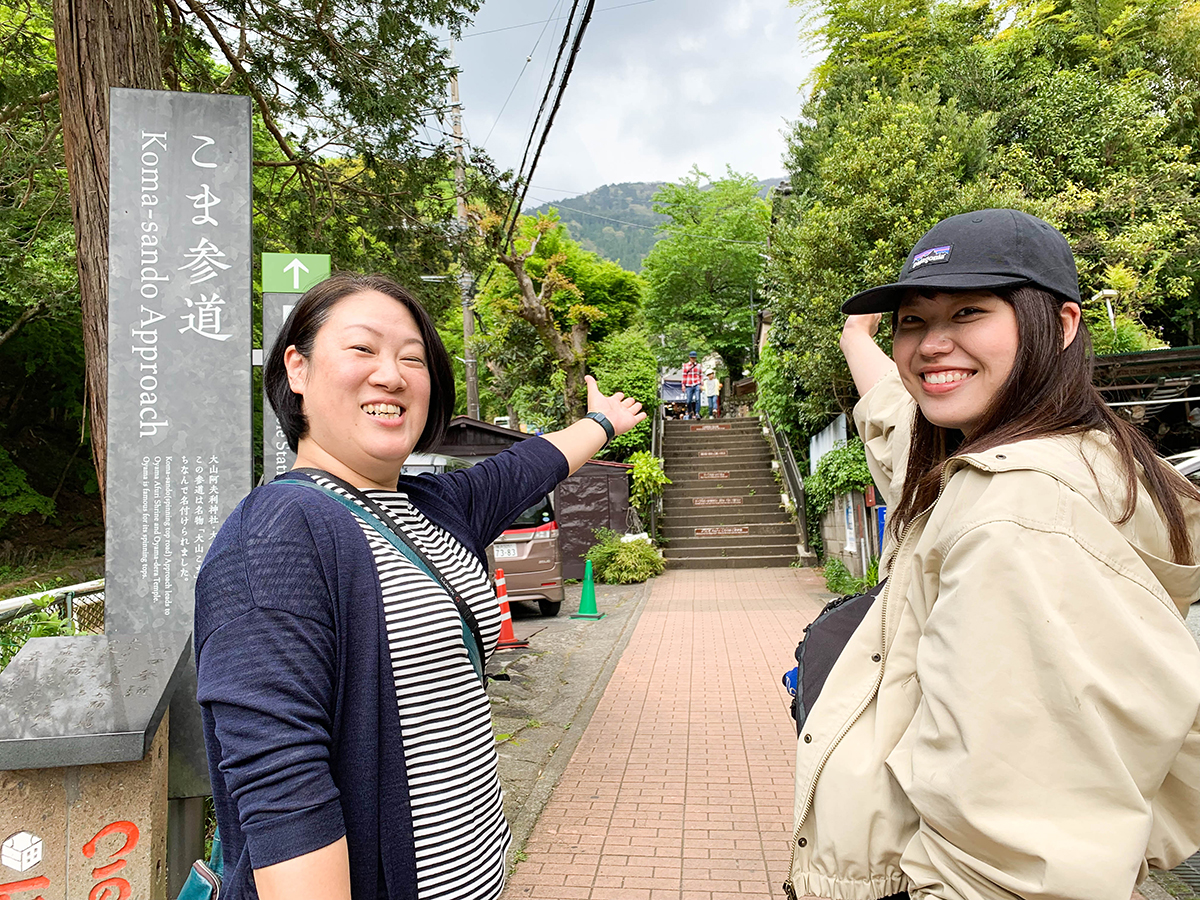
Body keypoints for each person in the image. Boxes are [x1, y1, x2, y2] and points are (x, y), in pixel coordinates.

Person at [786, 209, 1200, 900]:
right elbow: (895, 419)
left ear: (1062, 325)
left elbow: (1019, 862)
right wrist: (856, 336)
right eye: (912, 322)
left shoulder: (1014, 516)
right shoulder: (1056, 460)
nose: (929, 346)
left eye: (969, 312)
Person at [195, 272, 645, 900]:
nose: (392, 374)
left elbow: (531, 464)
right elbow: (282, 789)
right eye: (363, 349)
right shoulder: (277, 534)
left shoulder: (428, 506)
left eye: (413, 357)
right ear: (297, 369)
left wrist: (604, 420)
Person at [682, 350, 702, 418]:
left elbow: (701, 375)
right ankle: (690, 411)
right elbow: (684, 376)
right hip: (688, 384)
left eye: (694, 358)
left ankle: (697, 413)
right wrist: (683, 385)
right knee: (688, 401)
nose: (693, 359)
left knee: (697, 399)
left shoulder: (699, 366)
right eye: (692, 358)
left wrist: (701, 385)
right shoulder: (685, 366)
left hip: (697, 383)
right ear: (689, 358)